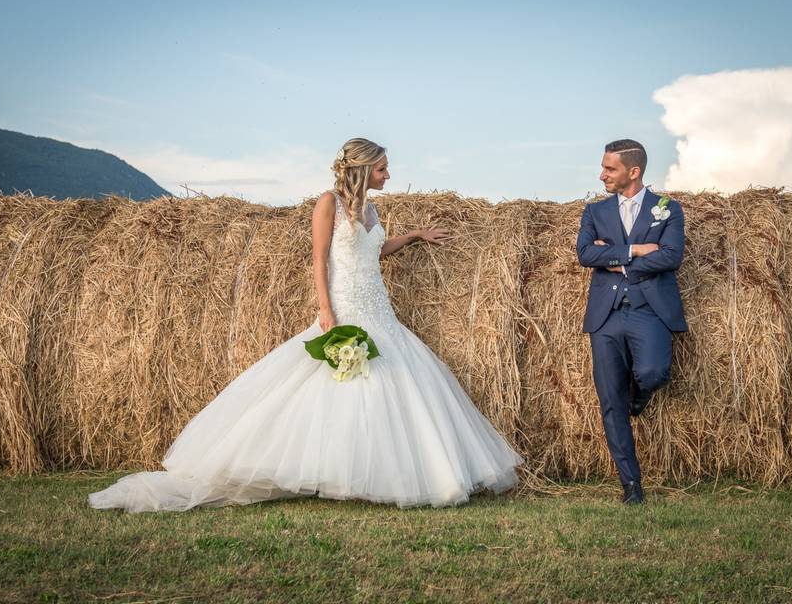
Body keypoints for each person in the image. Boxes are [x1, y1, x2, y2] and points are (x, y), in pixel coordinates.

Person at [88, 137, 523, 512]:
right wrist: (326, 310)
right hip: (345, 305)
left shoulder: (369, 210)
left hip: (378, 308)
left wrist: (411, 237)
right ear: (364, 168)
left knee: (386, 383)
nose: (389, 175)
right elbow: (319, 260)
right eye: (383, 168)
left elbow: (373, 252)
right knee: (340, 386)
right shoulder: (327, 204)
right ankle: (335, 472)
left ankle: (369, 472)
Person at [575, 139, 688, 505]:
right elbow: (585, 253)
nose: (602, 174)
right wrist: (635, 251)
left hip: (647, 310)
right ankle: (631, 485)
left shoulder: (667, 209)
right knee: (610, 402)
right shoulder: (595, 212)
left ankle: (640, 394)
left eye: (610, 168)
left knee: (654, 372)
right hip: (606, 315)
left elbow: (671, 257)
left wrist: (614, 259)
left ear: (633, 172)